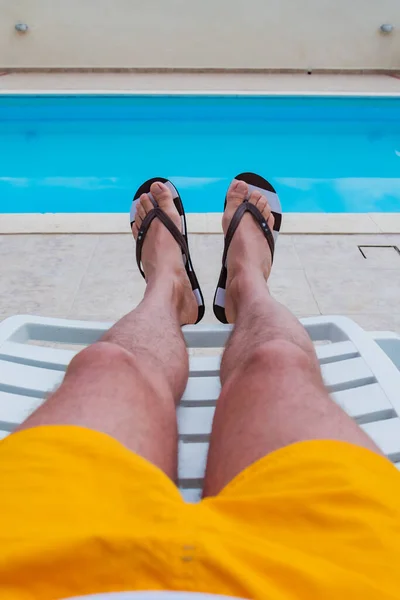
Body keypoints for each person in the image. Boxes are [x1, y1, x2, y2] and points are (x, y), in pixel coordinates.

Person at [0, 174, 399, 600]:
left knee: (109, 364)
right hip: (342, 573)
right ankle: (246, 282)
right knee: (277, 363)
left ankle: (169, 285)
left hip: (36, 564)